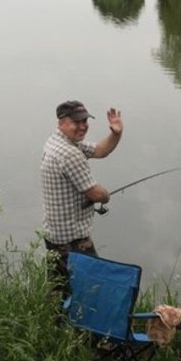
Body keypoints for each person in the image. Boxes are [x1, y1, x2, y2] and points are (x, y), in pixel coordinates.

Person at [41, 99, 123, 292]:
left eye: (85, 121)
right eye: (76, 122)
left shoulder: (57, 141)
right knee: (91, 288)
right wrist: (106, 196)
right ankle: (82, 321)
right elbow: (95, 193)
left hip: (54, 233)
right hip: (72, 239)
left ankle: (56, 320)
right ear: (61, 122)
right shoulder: (69, 154)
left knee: (59, 289)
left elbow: (100, 151)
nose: (83, 126)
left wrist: (116, 133)